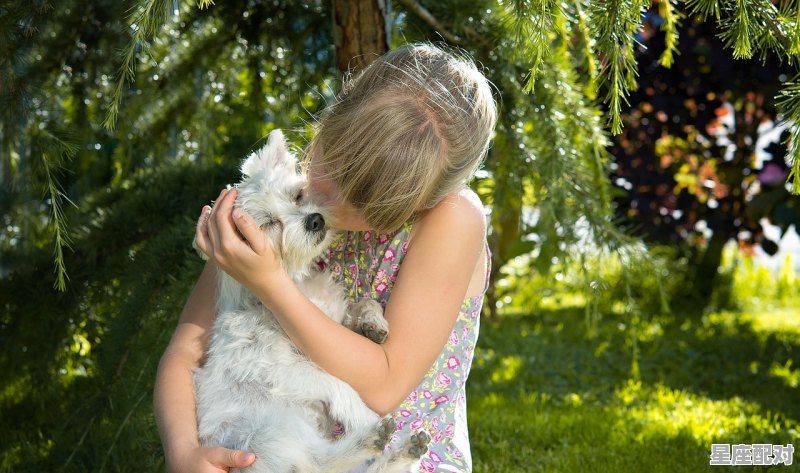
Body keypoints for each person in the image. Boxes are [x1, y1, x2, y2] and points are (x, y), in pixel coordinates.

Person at [154, 42, 497, 473]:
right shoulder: (280, 200)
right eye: (330, 165)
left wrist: (268, 283)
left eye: (365, 203)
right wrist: (185, 453)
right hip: (274, 452)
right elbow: (189, 346)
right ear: (335, 115)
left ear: (420, 203)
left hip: (399, 461)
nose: (326, 202)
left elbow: (385, 383)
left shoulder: (451, 220)